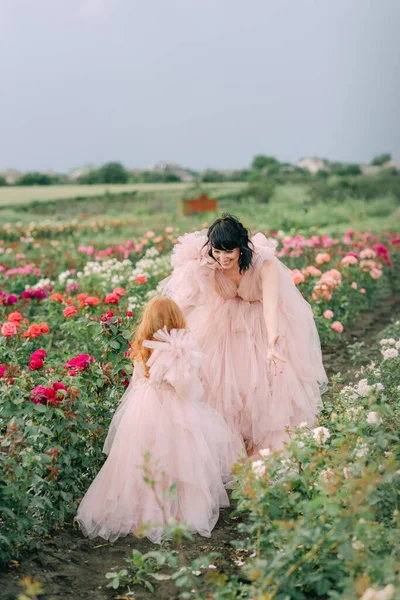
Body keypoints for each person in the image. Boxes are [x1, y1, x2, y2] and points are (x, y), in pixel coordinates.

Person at [75, 296, 242, 543]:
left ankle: (139, 510)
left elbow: (137, 381)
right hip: (172, 407)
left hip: (143, 406)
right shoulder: (176, 349)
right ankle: (175, 510)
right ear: (176, 319)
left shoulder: (142, 347)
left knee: (140, 459)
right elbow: (185, 389)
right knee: (178, 457)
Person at [159, 214, 328, 454]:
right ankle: (230, 448)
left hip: (259, 324)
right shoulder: (208, 264)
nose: (222, 258)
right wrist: (164, 330)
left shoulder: (264, 265)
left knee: (262, 386)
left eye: (228, 252)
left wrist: (271, 341)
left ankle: (262, 449)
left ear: (242, 247)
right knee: (222, 387)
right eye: (217, 251)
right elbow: (187, 300)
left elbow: (270, 305)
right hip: (222, 323)